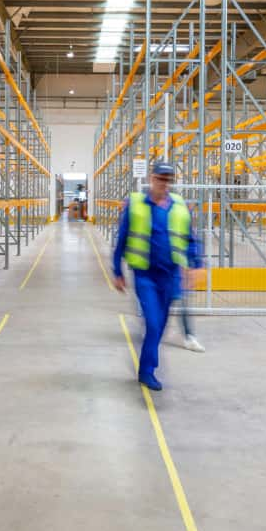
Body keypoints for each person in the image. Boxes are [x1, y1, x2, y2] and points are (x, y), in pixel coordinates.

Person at [111, 161, 203, 391]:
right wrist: (117, 270)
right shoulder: (135, 204)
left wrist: (197, 264)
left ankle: (147, 366)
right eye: (160, 178)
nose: (164, 183)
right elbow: (121, 240)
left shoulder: (180, 206)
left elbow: (190, 239)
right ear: (152, 178)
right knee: (153, 323)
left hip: (171, 275)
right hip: (145, 275)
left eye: (168, 179)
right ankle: (147, 371)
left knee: (160, 325)